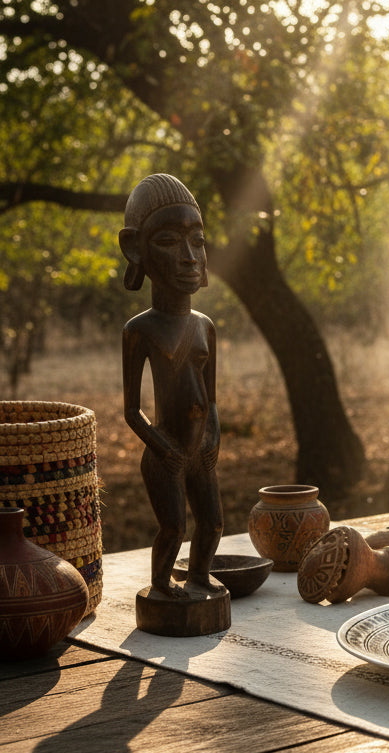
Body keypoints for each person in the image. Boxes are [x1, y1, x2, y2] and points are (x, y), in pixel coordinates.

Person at [119, 173, 225, 600]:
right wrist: (163, 448)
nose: (188, 256)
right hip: (165, 453)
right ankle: (162, 585)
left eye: (196, 241)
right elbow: (131, 410)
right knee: (175, 527)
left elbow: (211, 397)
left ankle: (199, 575)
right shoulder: (139, 330)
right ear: (135, 248)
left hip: (200, 450)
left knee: (213, 523)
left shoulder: (205, 327)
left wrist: (212, 436)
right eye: (167, 241)